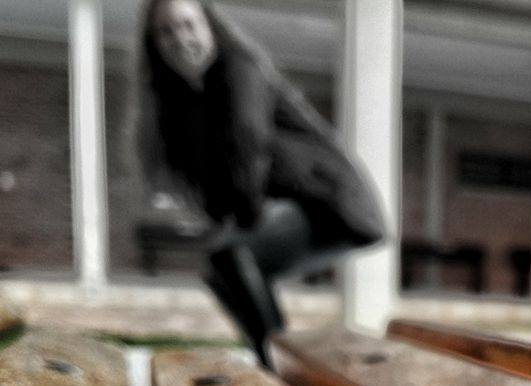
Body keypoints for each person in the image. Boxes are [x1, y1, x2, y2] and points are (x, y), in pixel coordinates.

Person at [138, 0, 386, 364]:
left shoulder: (240, 66)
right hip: (286, 206)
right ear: (154, 43)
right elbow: (202, 178)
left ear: (211, 28)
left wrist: (242, 218)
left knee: (233, 255)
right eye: (166, 31)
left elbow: (248, 144)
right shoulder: (181, 101)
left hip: (332, 206)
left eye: (189, 25)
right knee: (222, 270)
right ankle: (271, 358)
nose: (180, 38)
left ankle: (281, 369)